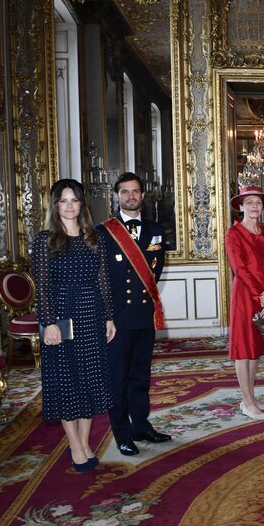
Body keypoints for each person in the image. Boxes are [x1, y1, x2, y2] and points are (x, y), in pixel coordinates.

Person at [32, 178, 116, 473]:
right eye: (63, 200)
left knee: (90, 381)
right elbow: (41, 287)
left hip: (91, 315)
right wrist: (48, 324)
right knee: (67, 382)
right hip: (61, 317)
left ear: (82, 204)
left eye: (74, 200)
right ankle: (74, 444)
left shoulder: (96, 238)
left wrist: (109, 317)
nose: (69, 206)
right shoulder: (45, 240)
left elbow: (103, 281)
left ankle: (84, 441)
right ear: (55, 206)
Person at [98, 172, 168, 457]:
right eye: (125, 191)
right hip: (117, 318)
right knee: (119, 378)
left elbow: (156, 271)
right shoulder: (103, 232)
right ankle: (122, 433)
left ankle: (141, 425)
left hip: (144, 315)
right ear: (116, 195)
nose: (130, 196)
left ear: (142, 195)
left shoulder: (156, 230)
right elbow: (100, 277)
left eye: (135, 191)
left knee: (141, 374)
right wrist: (107, 315)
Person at [225, 185, 264, 421]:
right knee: (244, 349)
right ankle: (247, 402)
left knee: (256, 349)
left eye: (258, 202)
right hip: (245, 296)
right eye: (249, 202)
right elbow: (239, 268)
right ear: (241, 206)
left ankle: (250, 397)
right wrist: (261, 295)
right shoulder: (234, 234)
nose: (254, 206)